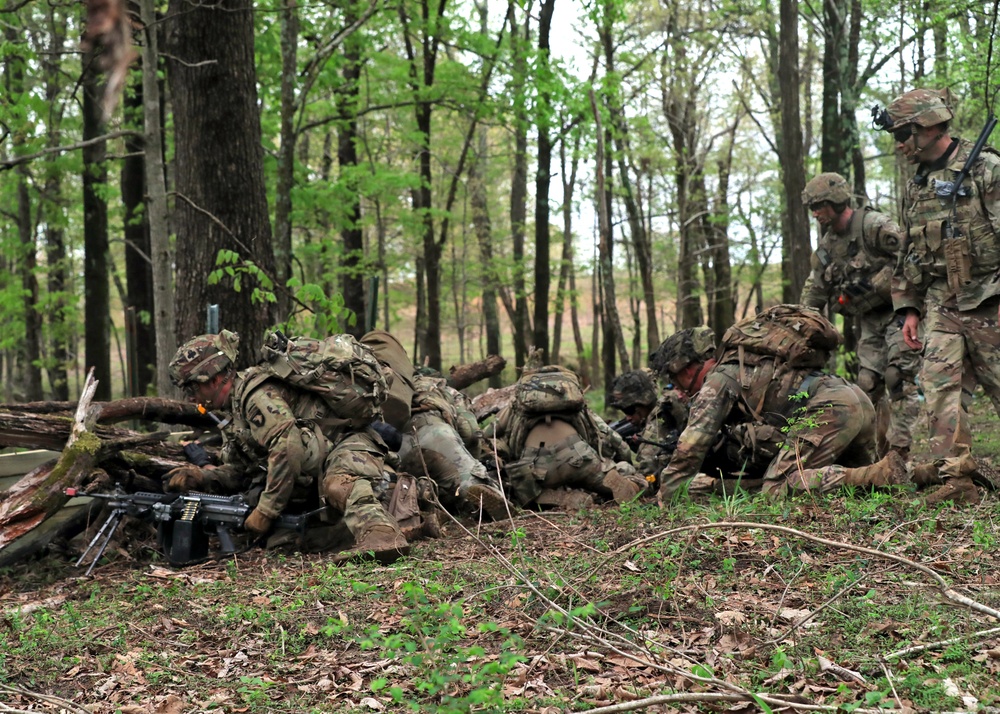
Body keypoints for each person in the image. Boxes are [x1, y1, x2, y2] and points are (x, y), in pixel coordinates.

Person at [167, 330, 410, 563]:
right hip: (317, 472)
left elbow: (288, 447)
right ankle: (405, 518)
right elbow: (245, 471)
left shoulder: (256, 397)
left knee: (338, 484)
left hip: (350, 443)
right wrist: (202, 477)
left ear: (215, 378)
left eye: (192, 386)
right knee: (284, 542)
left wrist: (266, 510)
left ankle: (382, 535)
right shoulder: (235, 412)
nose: (190, 396)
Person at [876, 87, 1000, 504]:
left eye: (903, 134)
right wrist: (907, 307)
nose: (899, 144)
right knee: (938, 387)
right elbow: (909, 251)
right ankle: (957, 480)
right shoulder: (919, 184)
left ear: (928, 128)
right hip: (943, 302)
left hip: (992, 297)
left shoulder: (986, 168)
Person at [653, 314, 909, 504]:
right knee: (869, 491)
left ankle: (880, 473)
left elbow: (689, 450)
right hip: (854, 397)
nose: (680, 391)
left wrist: (666, 497)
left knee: (779, 489)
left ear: (685, 370)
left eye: (675, 381)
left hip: (831, 408)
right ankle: (923, 474)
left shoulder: (718, 381)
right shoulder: (745, 366)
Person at [800, 172, 921, 460]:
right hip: (869, 322)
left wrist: (904, 298)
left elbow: (912, 256)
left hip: (899, 311)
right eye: (812, 208)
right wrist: (800, 322)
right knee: (866, 386)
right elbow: (814, 290)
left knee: (898, 377)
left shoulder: (873, 225)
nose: (815, 214)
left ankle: (899, 454)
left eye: (819, 206)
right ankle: (869, 456)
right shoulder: (827, 248)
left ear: (837, 201)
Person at [486, 364, 647, 509]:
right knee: (625, 470)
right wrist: (623, 461)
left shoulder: (515, 406)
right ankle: (627, 484)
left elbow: (487, 435)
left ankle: (557, 498)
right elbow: (613, 438)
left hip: (536, 464)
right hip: (578, 455)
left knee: (520, 491)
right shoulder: (577, 405)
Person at [397, 368, 511, 520]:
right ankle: (479, 505)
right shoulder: (443, 389)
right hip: (435, 434)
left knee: (403, 486)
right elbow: (469, 431)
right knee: (473, 482)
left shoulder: (392, 387)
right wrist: (472, 460)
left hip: (396, 446)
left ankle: (424, 501)